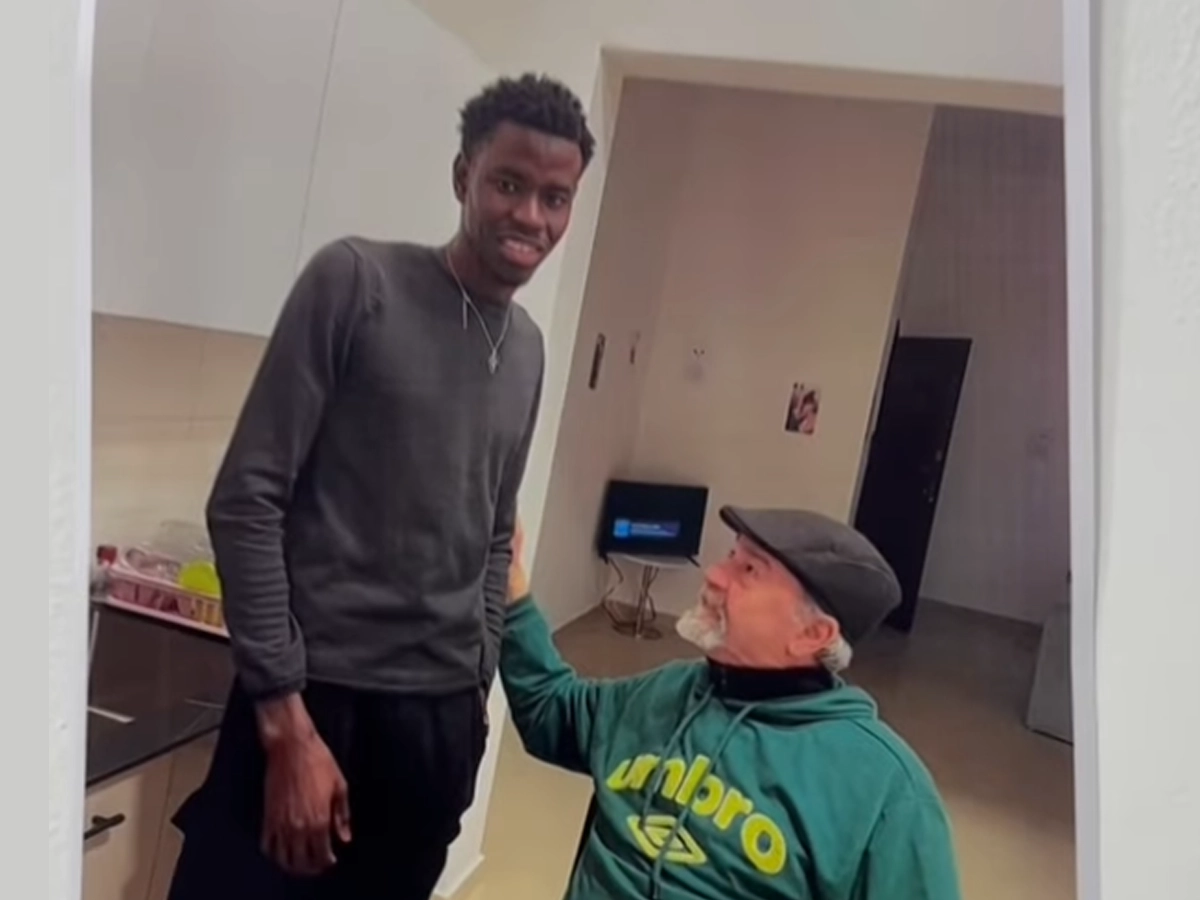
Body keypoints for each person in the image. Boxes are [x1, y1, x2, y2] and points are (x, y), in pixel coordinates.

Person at [166, 74, 594, 900]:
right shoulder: (357, 284)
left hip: (433, 728)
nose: (531, 217)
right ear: (463, 175)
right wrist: (285, 722)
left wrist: (473, 695)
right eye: (509, 183)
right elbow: (246, 501)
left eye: (556, 197)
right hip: (315, 702)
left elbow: (493, 531)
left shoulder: (529, 349)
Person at [502, 506, 962, 899]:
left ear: (813, 634)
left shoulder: (886, 791)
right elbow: (551, 714)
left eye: (749, 570)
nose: (715, 575)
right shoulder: (669, 689)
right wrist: (512, 592)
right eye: (730, 556)